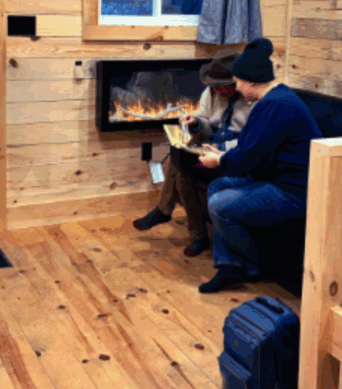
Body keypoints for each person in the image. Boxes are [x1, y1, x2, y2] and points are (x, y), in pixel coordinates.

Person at [194, 37, 323, 293]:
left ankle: (253, 264)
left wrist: (219, 159)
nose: (238, 88)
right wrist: (223, 151)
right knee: (218, 186)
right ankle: (230, 264)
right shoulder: (275, 100)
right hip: (274, 178)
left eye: (239, 82)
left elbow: (249, 161)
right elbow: (252, 147)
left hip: (294, 191)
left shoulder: (275, 106)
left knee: (219, 205)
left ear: (251, 80)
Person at [132, 54, 252, 256]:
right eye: (213, 86)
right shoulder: (212, 92)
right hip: (211, 143)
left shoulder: (252, 103)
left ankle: (174, 219)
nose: (216, 90)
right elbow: (205, 122)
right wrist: (195, 123)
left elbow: (249, 144)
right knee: (178, 153)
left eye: (221, 86)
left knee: (180, 169)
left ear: (236, 83)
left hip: (231, 153)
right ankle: (185, 227)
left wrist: (221, 151)